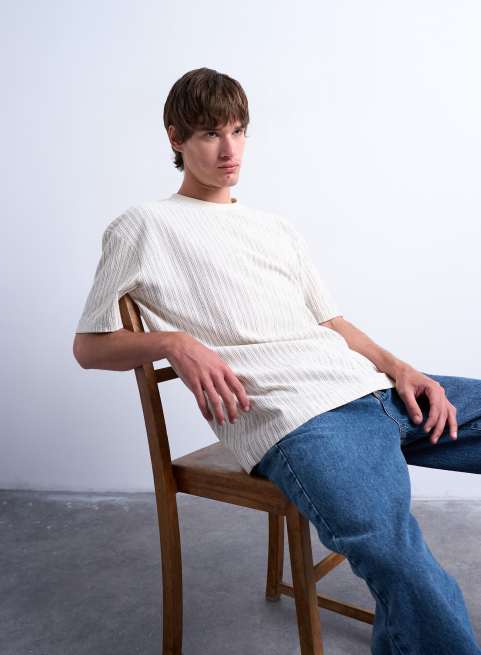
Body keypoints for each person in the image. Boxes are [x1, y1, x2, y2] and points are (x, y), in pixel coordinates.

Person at [72, 67, 481, 654]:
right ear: (175, 138)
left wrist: (402, 370)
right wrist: (173, 343)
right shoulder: (144, 225)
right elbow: (89, 346)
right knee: (397, 556)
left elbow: (331, 323)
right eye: (211, 133)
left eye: (238, 131)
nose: (230, 150)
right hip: (301, 419)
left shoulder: (274, 228)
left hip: (371, 390)